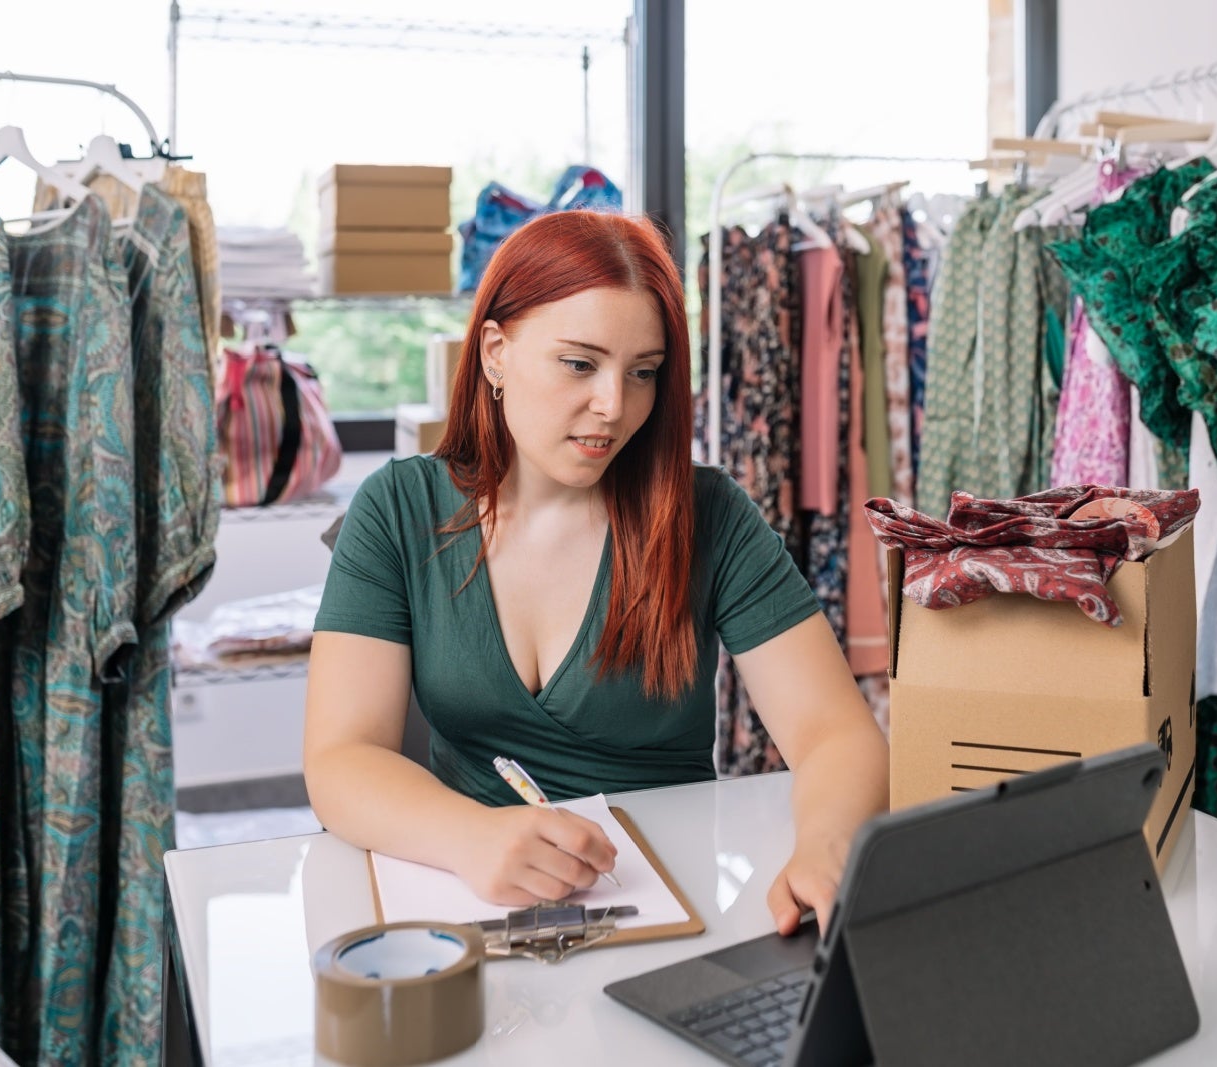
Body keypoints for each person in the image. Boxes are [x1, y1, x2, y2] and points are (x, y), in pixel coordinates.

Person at [304, 210, 889, 935]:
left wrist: (828, 851)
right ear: (494, 351)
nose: (614, 406)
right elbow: (341, 756)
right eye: (580, 364)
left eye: (643, 373)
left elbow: (837, 733)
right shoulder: (397, 510)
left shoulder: (711, 517)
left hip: (666, 907)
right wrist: (470, 837)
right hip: (464, 902)